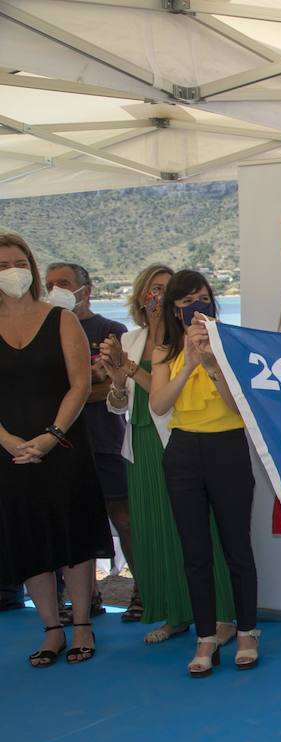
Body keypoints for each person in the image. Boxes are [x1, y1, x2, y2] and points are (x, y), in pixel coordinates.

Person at [101, 265, 238, 647]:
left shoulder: (191, 339)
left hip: (178, 440)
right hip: (141, 442)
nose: (158, 297)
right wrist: (117, 378)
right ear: (142, 297)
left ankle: (222, 615)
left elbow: (163, 399)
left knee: (201, 532)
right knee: (157, 530)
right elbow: (120, 402)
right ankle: (177, 614)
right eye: (153, 290)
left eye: (166, 290)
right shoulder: (130, 339)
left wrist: (133, 372)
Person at [0, 231, 111, 666]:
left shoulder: (61, 320)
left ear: (31, 266)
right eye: (2, 265)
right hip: (11, 451)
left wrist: (50, 436)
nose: (12, 272)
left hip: (63, 444)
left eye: (18, 263)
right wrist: (10, 442)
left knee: (74, 532)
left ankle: (81, 624)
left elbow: (81, 385)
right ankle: (51, 629)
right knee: (27, 535)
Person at [148, 271, 260, 677]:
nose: (197, 306)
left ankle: (247, 631)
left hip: (227, 447)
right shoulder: (164, 350)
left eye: (203, 298)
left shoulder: (230, 341)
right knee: (195, 553)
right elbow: (159, 405)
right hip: (182, 451)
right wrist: (188, 365)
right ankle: (206, 637)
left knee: (237, 547)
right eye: (187, 301)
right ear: (175, 310)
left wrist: (212, 364)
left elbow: (240, 409)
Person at [46, 261, 130, 623]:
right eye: (49, 284)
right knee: (72, 521)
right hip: (62, 445)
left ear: (86, 289)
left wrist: (81, 389)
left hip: (106, 440)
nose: (54, 290)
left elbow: (118, 386)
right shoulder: (46, 330)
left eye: (63, 283)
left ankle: (142, 590)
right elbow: (46, 392)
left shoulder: (111, 329)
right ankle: (86, 598)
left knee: (123, 518)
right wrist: (86, 385)